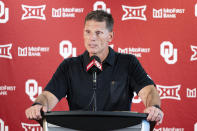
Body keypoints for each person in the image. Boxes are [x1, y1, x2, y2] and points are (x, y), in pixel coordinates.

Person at [25, 10, 164, 126]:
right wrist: (38, 104)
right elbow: (48, 96)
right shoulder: (69, 66)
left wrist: (154, 107)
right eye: (88, 32)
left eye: (98, 33)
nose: (92, 38)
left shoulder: (128, 63)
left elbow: (149, 92)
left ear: (110, 36)